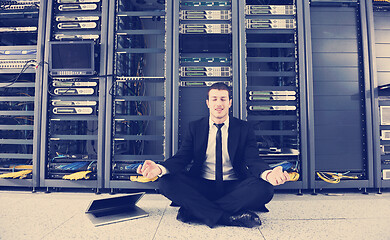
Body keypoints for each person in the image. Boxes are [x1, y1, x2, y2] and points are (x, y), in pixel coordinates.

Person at [137, 82, 290, 228]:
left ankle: (196, 210)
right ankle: (228, 217)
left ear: (229, 102)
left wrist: (269, 174)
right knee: (165, 182)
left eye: (223, 99)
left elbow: (253, 159)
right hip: (202, 184)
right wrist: (159, 168)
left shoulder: (244, 128)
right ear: (208, 103)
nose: (219, 104)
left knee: (265, 189)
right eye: (214, 99)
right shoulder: (195, 127)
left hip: (234, 186)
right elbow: (182, 157)